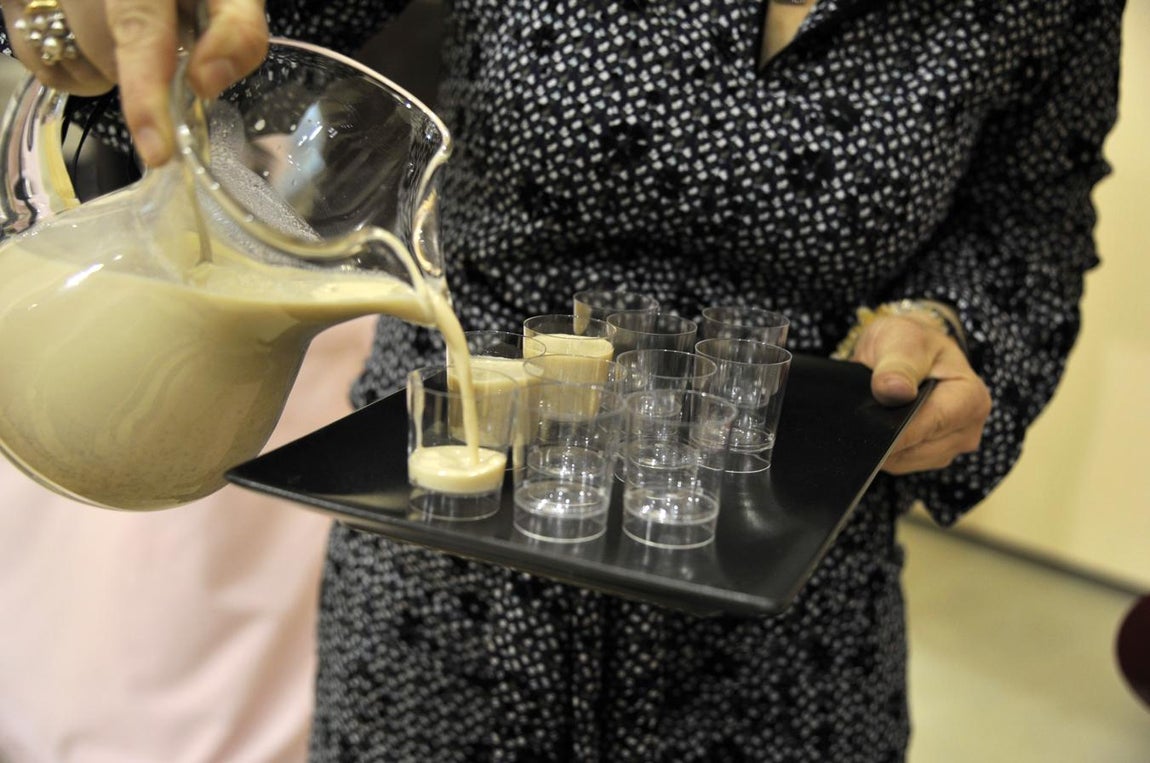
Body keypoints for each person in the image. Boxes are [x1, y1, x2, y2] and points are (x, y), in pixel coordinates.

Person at [0, 0, 1125, 760]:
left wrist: (947, 323)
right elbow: (221, 38)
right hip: (440, 585)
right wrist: (65, 30)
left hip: (788, 605)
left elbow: (1031, 214)